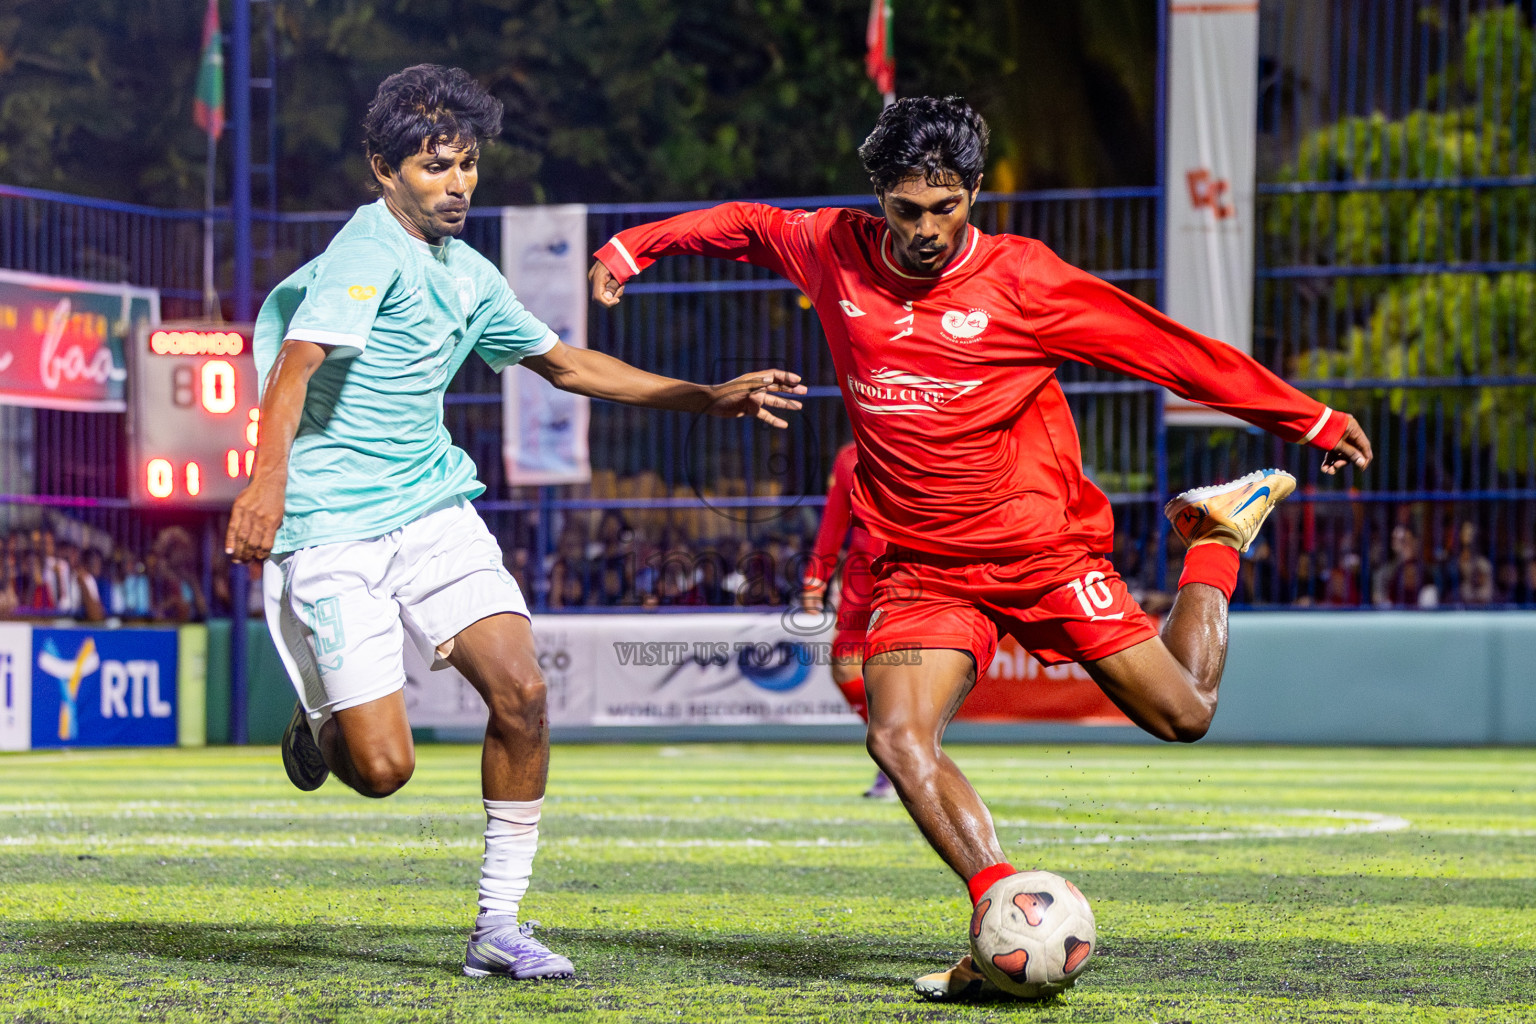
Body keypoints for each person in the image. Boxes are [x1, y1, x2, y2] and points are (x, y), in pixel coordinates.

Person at [588, 96, 1374, 1000]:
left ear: (972, 193)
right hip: (925, 569)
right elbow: (743, 222)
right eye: (907, 209)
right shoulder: (831, 248)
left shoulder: (1023, 281)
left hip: (1042, 550)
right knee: (896, 737)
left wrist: (1303, 416)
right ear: (878, 195)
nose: (926, 229)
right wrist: (635, 244)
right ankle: (1001, 908)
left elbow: (1167, 351)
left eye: (948, 205)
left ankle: (1217, 531)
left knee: (1184, 714)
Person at [225, 64, 804, 983]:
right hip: (332, 525)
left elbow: (564, 365)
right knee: (381, 771)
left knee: (525, 696)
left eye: (467, 164)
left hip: (430, 509)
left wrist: (707, 399)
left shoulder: (470, 275)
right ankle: (318, 725)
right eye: (434, 167)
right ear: (384, 170)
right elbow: (295, 365)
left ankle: (499, 925)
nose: (457, 183)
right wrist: (265, 488)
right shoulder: (365, 253)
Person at [799, 441, 892, 797]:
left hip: (910, 569)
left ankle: (904, 757)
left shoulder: (924, 438)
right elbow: (835, 519)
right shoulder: (849, 456)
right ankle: (895, 752)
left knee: (900, 668)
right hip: (861, 572)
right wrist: (816, 576)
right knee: (844, 665)